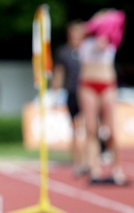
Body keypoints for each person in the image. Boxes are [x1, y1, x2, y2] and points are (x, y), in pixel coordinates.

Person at [77, 9, 127, 185]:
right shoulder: (84, 41)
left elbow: (116, 22)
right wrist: (95, 23)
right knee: (91, 129)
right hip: (88, 85)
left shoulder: (111, 38)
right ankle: (95, 168)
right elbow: (81, 32)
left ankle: (116, 168)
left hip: (107, 85)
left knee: (111, 131)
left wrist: (105, 29)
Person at [51, 19, 87, 177]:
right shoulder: (64, 52)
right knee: (75, 129)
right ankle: (77, 162)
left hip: (87, 93)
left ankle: (88, 161)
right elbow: (59, 74)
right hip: (72, 93)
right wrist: (55, 94)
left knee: (89, 128)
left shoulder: (88, 50)